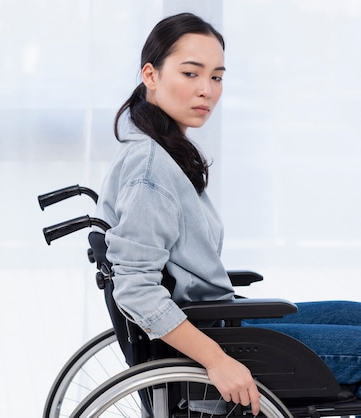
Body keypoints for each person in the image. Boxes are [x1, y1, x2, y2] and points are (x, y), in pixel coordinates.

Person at [93, 12, 361, 416]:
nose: (207, 90)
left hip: (226, 319)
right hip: (213, 337)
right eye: (190, 73)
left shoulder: (161, 151)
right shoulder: (149, 169)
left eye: (216, 77)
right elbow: (136, 289)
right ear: (151, 75)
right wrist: (217, 361)